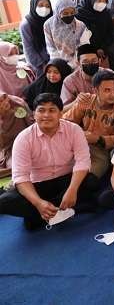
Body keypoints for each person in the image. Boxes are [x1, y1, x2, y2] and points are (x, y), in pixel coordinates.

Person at [0, 93, 99, 230]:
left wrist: (72, 190)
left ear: (60, 113)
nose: (46, 115)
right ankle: (55, 209)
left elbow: (83, 161)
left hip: (66, 179)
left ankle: (43, 214)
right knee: (4, 202)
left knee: (92, 181)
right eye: (41, 110)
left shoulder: (74, 130)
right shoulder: (23, 138)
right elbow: (21, 176)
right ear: (34, 114)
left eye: (52, 110)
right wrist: (38, 203)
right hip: (38, 185)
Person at [62, 70, 114, 178]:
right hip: (77, 145)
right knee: (62, 174)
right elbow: (65, 122)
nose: (113, 94)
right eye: (107, 90)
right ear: (96, 90)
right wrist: (78, 133)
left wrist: (99, 139)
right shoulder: (87, 100)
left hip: (101, 153)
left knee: (87, 180)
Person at [43, 0, 90, 68]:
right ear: (58, 12)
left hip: (78, 62)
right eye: (65, 13)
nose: (69, 15)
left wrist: (73, 63)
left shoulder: (80, 25)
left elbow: (83, 46)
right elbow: (51, 47)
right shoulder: (48, 25)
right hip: (58, 64)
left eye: (72, 12)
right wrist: (60, 65)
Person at [75, 0, 112, 65]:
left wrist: (103, 48)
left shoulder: (106, 14)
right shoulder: (79, 15)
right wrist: (94, 49)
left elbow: (109, 32)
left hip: (103, 54)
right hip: (85, 55)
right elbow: (79, 37)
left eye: (104, 1)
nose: (102, 4)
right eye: (98, 0)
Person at [20, 0, 52, 76]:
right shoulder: (26, 24)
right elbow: (28, 48)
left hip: (54, 59)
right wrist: (42, 65)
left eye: (47, 6)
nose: (44, 8)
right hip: (40, 64)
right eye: (40, 5)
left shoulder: (51, 19)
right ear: (33, 5)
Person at [0, 93, 32, 172]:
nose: (5, 102)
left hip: (28, 142)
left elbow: (31, 123)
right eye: (0, 102)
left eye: (5, 98)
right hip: (8, 149)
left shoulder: (18, 103)